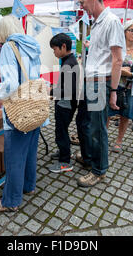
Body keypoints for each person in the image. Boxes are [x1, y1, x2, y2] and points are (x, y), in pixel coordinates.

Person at [0, 15, 45, 212]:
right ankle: (28, 186)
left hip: (18, 110)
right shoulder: (33, 45)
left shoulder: (8, 48)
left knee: (15, 157)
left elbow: (11, 83)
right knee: (29, 151)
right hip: (35, 106)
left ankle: (10, 201)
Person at [75, 0, 125, 187]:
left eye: (82, 2)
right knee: (87, 124)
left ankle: (99, 170)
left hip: (100, 84)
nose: (81, 6)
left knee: (97, 129)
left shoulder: (111, 21)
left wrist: (113, 90)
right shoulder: (96, 23)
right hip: (92, 83)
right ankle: (89, 158)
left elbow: (117, 60)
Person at [107, 20, 133, 152]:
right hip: (113, 86)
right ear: (124, 32)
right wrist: (118, 70)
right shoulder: (116, 47)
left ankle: (119, 141)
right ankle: (104, 137)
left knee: (125, 115)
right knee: (107, 113)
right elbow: (107, 65)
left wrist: (130, 75)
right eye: (131, 30)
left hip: (131, 89)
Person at [48, 33, 79, 173]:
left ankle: (65, 161)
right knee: (61, 130)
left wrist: (51, 91)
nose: (54, 52)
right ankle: (63, 152)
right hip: (64, 103)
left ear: (63, 46)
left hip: (66, 105)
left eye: (55, 49)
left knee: (61, 132)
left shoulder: (69, 63)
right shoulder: (68, 60)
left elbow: (69, 90)